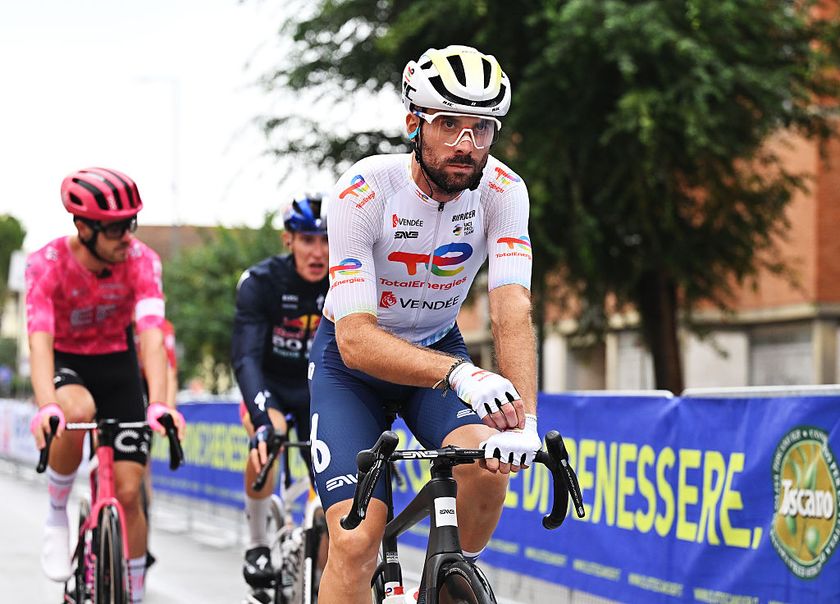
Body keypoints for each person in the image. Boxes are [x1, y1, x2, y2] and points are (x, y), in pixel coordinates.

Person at [309, 45, 540, 603]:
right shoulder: (364, 191)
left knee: (488, 467)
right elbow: (356, 340)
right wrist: (462, 374)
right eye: (449, 124)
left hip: (438, 349)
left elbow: (512, 307)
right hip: (352, 370)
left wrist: (526, 420)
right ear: (415, 125)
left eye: (482, 128)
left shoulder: (504, 192)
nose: (467, 143)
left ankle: (445, 582)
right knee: (356, 541)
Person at [27, 167, 186, 604]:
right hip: (67, 362)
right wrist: (46, 405)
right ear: (84, 227)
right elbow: (38, 341)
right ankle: (57, 512)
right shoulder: (46, 264)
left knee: (131, 493)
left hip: (118, 366)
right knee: (75, 410)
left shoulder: (142, 261)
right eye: (116, 228)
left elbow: (151, 335)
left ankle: (133, 593)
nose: (127, 237)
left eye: (131, 223)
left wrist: (158, 403)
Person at [231, 196, 329, 589]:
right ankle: (257, 543)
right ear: (288, 240)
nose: (318, 252)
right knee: (267, 439)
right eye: (307, 240)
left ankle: (321, 581)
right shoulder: (261, 282)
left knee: (331, 483)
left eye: (326, 240)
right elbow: (246, 357)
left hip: (318, 388)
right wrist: (260, 418)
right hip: (269, 385)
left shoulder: (346, 281)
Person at [134, 317, 179, 569]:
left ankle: (142, 536)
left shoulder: (161, 326)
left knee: (142, 467)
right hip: (115, 379)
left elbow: (169, 372)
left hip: (146, 386)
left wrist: (167, 410)